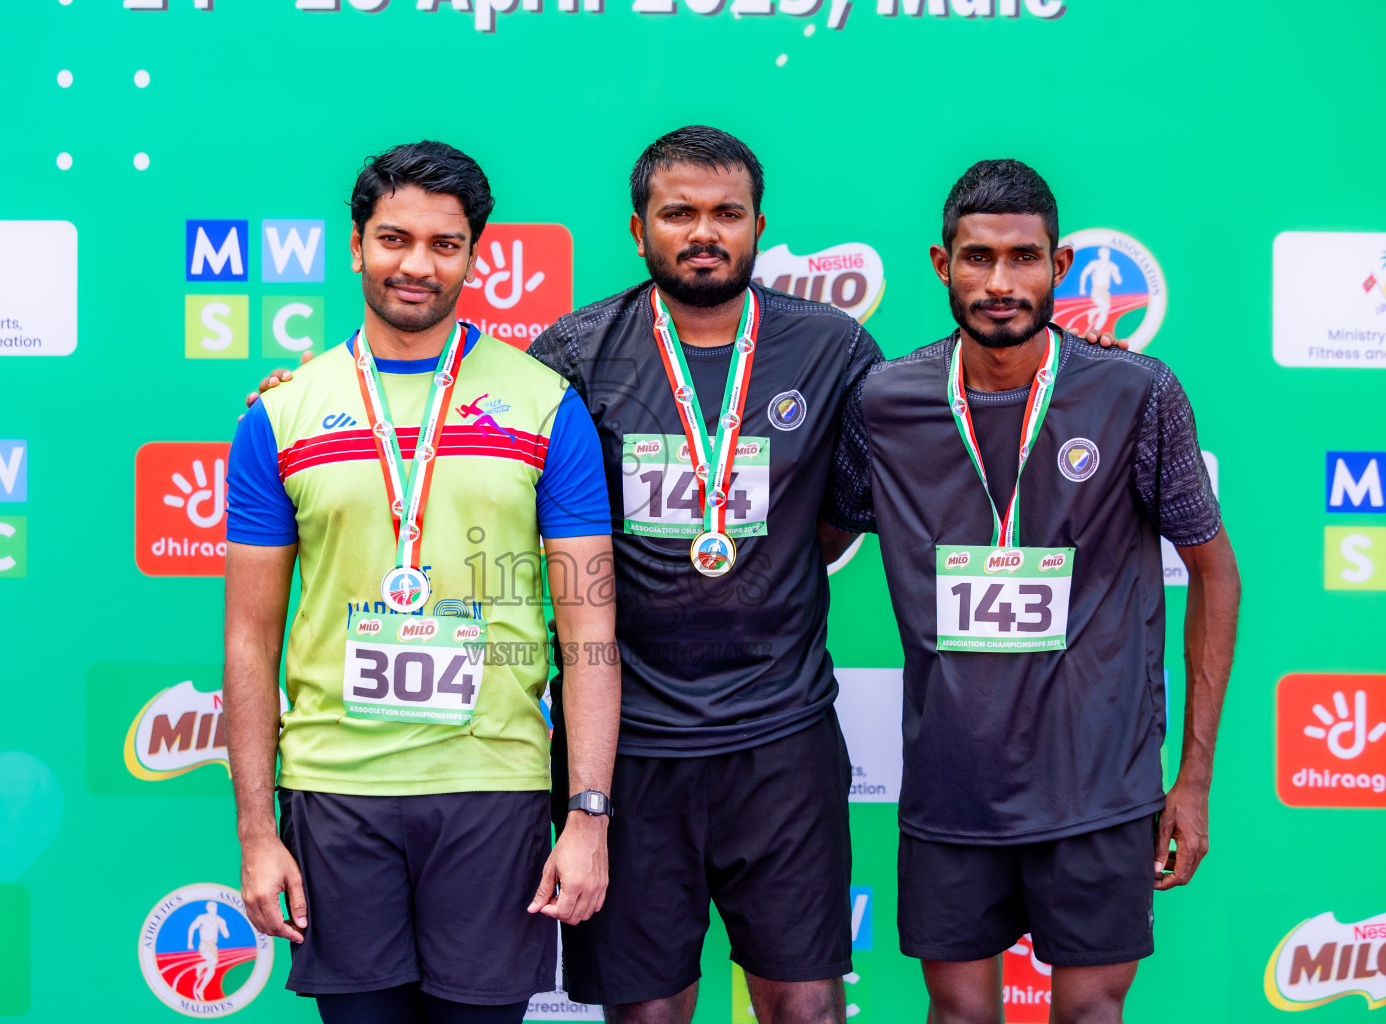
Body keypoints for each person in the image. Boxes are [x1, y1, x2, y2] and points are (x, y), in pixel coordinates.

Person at [248, 128, 1124, 1024]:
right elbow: (470, 426)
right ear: (639, 230)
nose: (703, 233)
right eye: (679, 214)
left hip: (781, 738)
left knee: (806, 1007)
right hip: (631, 749)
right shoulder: (575, 355)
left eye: (726, 214)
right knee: (646, 1014)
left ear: (759, 225)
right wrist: (307, 389)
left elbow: (853, 510)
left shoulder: (833, 350)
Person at [823, 158, 1241, 1024]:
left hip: (1100, 786)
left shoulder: (1137, 392)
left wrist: (1192, 778)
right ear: (942, 265)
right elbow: (815, 540)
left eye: (1024, 258)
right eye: (978, 259)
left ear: (1063, 264)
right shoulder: (886, 399)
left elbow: (1214, 572)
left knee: (1091, 1014)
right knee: (961, 1016)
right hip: (951, 785)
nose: (1000, 283)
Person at [223, 140, 621, 1024]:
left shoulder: (544, 403)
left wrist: (588, 818)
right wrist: (256, 831)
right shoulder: (281, 414)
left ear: (475, 255)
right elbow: (248, 640)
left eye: (446, 244)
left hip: (492, 787)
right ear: (356, 245)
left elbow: (589, 631)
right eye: (395, 238)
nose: (418, 264)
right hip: (337, 792)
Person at [188, 901, 229, 1001]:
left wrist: (224, 927)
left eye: (214, 908)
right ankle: (200, 966)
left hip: (213, 946)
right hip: (204, 945)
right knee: (214, 961)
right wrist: (190, 942)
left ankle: (200, 990)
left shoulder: (220, 920)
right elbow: (192, 928)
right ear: (208, 909)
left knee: (211, 971)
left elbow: (226, 935)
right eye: (211, 908)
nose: (213, 910)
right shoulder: (202, 918)